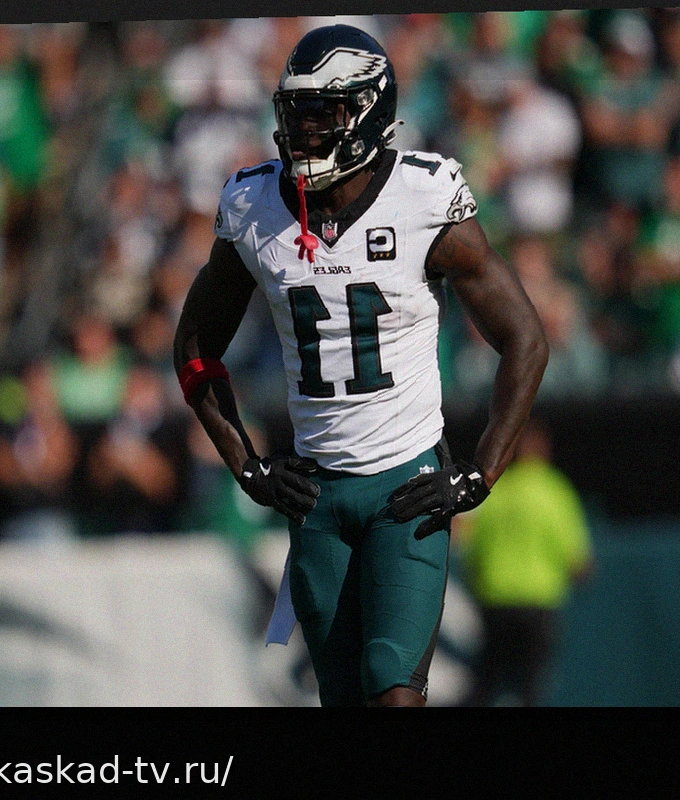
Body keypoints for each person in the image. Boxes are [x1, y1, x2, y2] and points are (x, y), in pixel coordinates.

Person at [173, 25, 548, 707]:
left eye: (323, 113)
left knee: (394, 690)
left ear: (368, 111)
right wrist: (247, 466)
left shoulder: (423, 197)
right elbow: (195, 347)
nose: (304, 131)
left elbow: (524, 338)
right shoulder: (254, 206)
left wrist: (481, 471)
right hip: (316, 495)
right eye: (296, 113)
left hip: (406, 485)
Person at [454, 418, 593, 706]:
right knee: (530, 689)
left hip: (495, 603)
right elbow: (579, 563)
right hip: (538, 605)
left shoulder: (494, 490)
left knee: (486, 686)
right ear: (544, 449)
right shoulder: (556, 492)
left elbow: (463, 537)